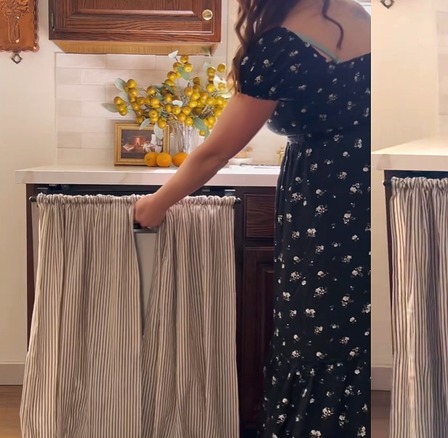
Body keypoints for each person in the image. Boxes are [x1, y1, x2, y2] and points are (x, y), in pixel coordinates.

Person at [133, 0, 371, 436]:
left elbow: (216, 151)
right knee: (355, 334)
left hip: (324, 202)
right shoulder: (362, 16)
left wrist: (157, 204)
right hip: (369, 194)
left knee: (313, 333)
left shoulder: (280, 48)